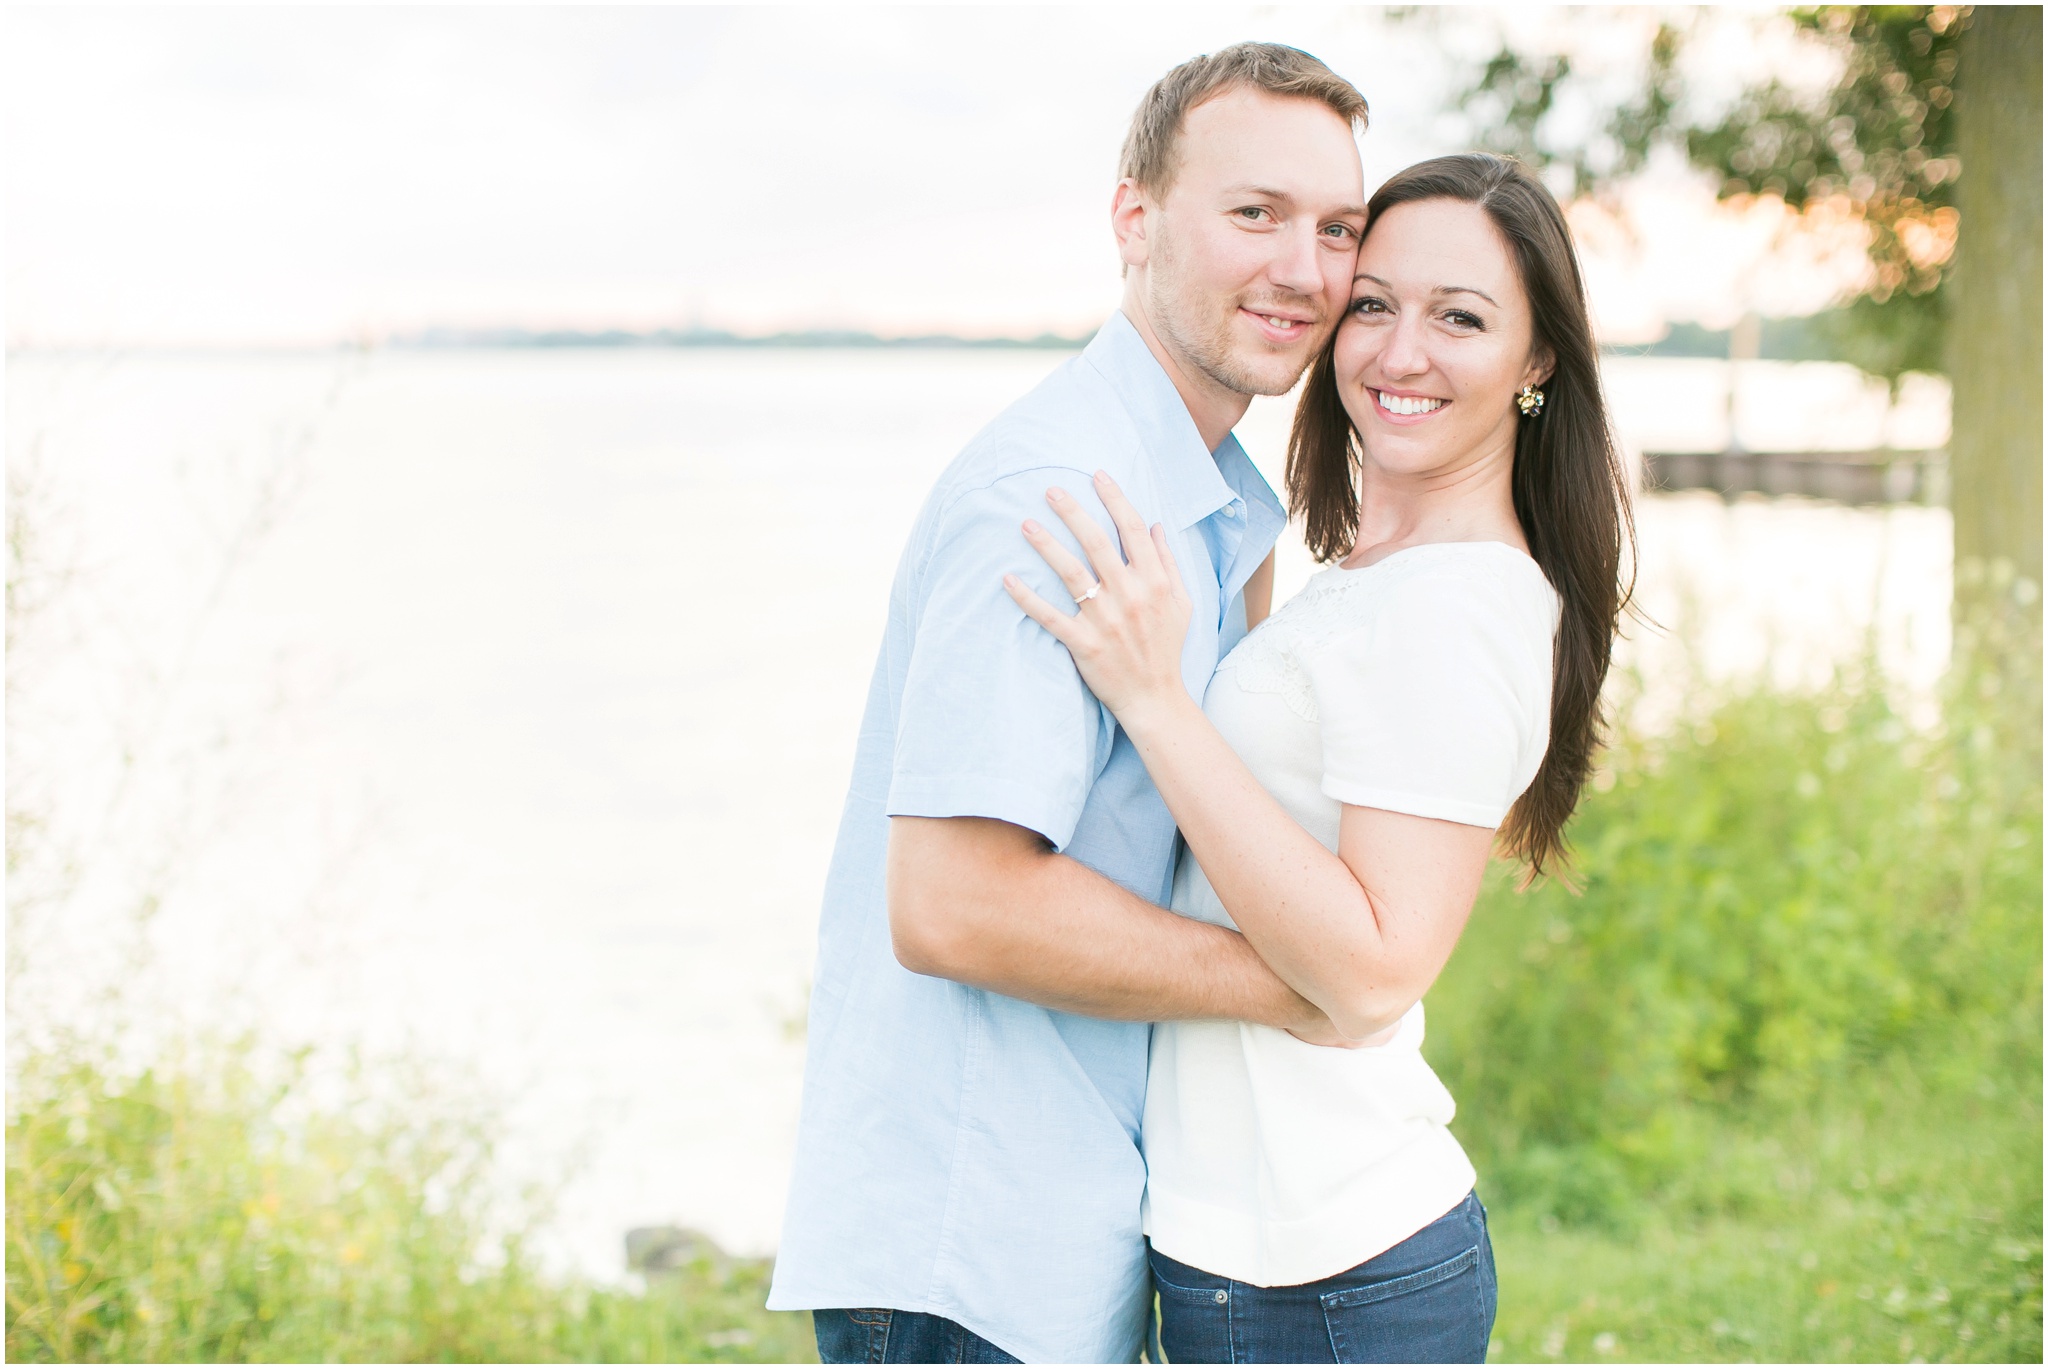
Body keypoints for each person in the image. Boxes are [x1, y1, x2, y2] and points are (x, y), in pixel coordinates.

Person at [765, 44, 1372, 1364]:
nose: (1306, 269)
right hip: (968, 1242)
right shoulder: (1055, 501)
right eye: (1255, 213)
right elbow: (952, 901)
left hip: (1069, 1213)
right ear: (1135, 221)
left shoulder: (1207, 499)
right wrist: (1287, 984)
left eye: (1337, 229)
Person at [1005, 153, 1634, 1363]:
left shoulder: (1451, 609)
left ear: (1537, 359)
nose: (1399, 353)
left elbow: (1370, 968)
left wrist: (1152, 697)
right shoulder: (1367, 576)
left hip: (1327, 1274)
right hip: (1250, 1248)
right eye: (1373, 304)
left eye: (1459, 317)